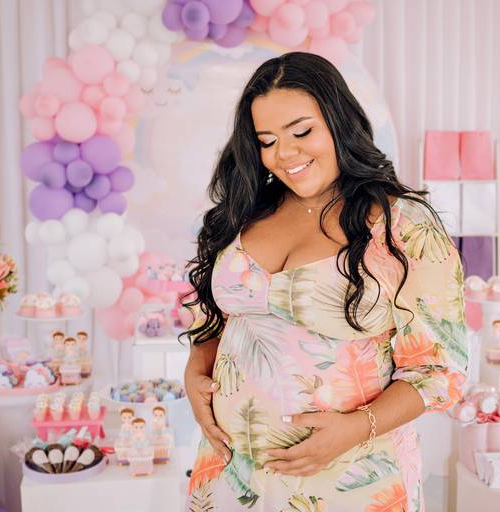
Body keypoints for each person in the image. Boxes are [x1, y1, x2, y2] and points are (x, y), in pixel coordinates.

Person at [183, 52, 468, 511]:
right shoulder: (246, 210)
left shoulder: (403, 225)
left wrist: (355, 429)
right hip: (232, 473)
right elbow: (214, 317)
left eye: (301, 132)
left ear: (339, 122)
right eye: (267, 140)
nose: (285, 153)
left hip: (352, 478)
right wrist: (195, 370)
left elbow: (441, 371)